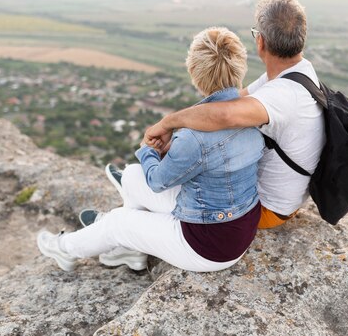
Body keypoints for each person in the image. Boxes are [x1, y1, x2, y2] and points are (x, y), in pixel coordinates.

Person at [37, 27, 264, 272]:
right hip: (236, 226)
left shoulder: (193, 138)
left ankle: (64, 248)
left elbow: (157, 181)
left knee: (118, 223)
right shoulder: (252, 114)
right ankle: (131, 251)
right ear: (240, 67)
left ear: (195, 74)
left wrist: (149, 150)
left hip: (208, 245)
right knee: (133, 176)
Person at [145, 0, 325, 229]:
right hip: (284, 201)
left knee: (144, 181)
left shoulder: (283, 95)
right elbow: (231, 100)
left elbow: (226, 114)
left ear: (260, 42)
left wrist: (168, 123)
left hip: (264, 209)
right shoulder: (297, 73)